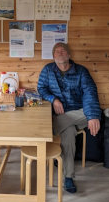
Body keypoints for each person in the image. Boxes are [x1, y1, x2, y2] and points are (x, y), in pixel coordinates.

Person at [37, 42, 101, 193]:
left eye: (63, 51)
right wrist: (54, 99)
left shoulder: (81, 72)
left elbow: (89, 93)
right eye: (57, 51)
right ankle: (68, 177)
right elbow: (41, 88)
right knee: (69, 132)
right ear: (53, 57)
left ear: (69, 55)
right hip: (61, 116)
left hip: (80, 113)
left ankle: (49, 129)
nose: (60, 53)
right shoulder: (48, 70)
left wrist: (92, 116)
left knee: (91, 115)